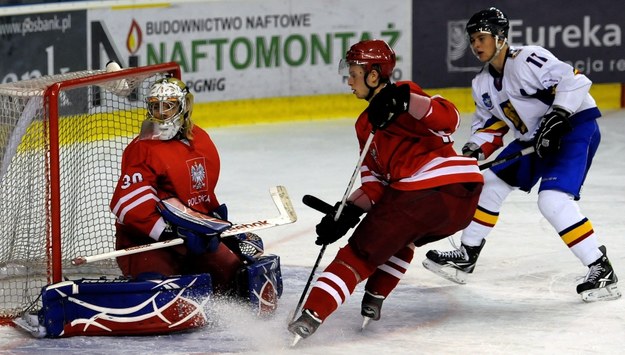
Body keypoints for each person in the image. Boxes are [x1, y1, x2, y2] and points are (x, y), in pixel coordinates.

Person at [287, 39, 484, 343]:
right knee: (402, 235)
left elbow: (451, 119)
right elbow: (374, 185)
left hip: (430, 188)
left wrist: (405, 100)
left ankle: (309, 317)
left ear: (374, 75)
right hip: (461, 198)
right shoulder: (364, 125)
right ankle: (375, 297)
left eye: (353, 74)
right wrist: (347, 211)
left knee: (358, 254)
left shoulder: (405, 93)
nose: (348, 82)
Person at [423, 7, 620, 302]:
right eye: (472, 40)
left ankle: (601, 269)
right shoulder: (482, 83)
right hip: (534, 139)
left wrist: (558, 116)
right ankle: (467, 255)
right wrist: (473, 150)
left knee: (552, 201)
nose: (476, 46)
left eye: (482, 38)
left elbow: (575, 80)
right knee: (487, 183)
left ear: (500, 37)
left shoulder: (528, 59)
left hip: (573, 129)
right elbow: (491, 125)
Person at [109, 77, 253, 295]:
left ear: (184, 106)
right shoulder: (142, 148)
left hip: (193, 237)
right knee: (157, 291)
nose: (162, 113)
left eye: (169, 105)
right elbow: (126, 204)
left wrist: (213, 223)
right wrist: (170, 231)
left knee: (238, 279)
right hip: (148, 242)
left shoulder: (201, 140)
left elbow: (201, 192)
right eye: (155, 106)